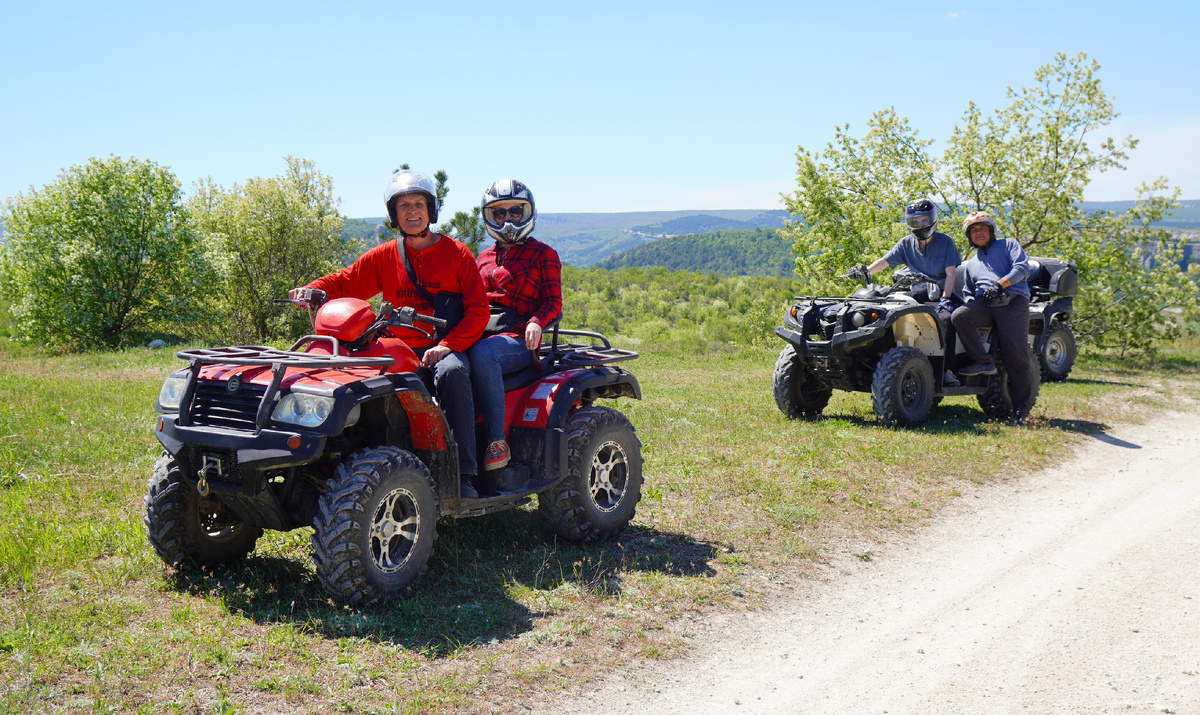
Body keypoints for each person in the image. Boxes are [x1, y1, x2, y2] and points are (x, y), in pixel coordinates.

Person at [290, 170, 490, 496]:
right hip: (394, 346)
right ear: (394, 214)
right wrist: (312, 290)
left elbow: (479, 311)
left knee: (453, 374)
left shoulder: (457, 254)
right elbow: (345, 281)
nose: (412, 211)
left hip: (443, 345)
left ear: (431, 209)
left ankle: (462, 473)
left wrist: (449, 346)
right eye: (404, 206)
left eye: (418, 203)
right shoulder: (386, 255)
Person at [468, 179, 562, 476]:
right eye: (499, 213)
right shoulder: (482, 257)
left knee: (485, 355)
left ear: (527, 212)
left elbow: (553, 302)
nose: (507, 219)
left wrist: (537, 321)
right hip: (480, 331)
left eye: (515, 211)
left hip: (519, 338)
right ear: (489, 217)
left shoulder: (542, 254)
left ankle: (497, 441)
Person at [848, 199, 963, 385]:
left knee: (944, 319)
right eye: (915, 221)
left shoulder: (945, 242)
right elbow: (885, 262)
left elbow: (951, 274)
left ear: (932, 220)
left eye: (924, 220)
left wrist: (946, 299)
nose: (920, 225)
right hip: (914, 294)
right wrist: (865, 271)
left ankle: (945, 370)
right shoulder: (906, 243)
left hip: (939, 295)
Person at [950, 211, 1035, 425]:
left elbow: (1022, 268)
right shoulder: (971, 263)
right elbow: (968, 291)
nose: (979, 232)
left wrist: (999, 285)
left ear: (992, 231)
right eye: (974, 230)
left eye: (983, 228)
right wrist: (971, 305)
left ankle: (1021, 410)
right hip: (985, 305)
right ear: (969, 236)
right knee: (960, 316)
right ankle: (983, 361)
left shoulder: (1008, 245)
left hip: (1012, 301)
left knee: (1015, 355)